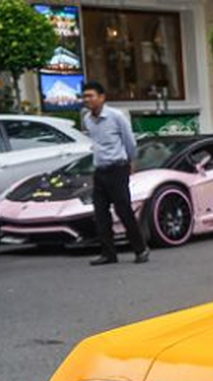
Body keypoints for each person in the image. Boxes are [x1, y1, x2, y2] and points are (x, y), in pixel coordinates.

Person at [81, 80, 149, 265]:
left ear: (102, 97)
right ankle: (108, 253)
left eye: (91, 96)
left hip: (118, 168)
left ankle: (140, 249)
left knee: (123, 210)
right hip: (100, 170)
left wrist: (131, 161)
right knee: (101, 213)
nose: (87, 99)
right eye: (84, 96)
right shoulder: (87, 118)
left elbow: (129, 141)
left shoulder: (116, 116)